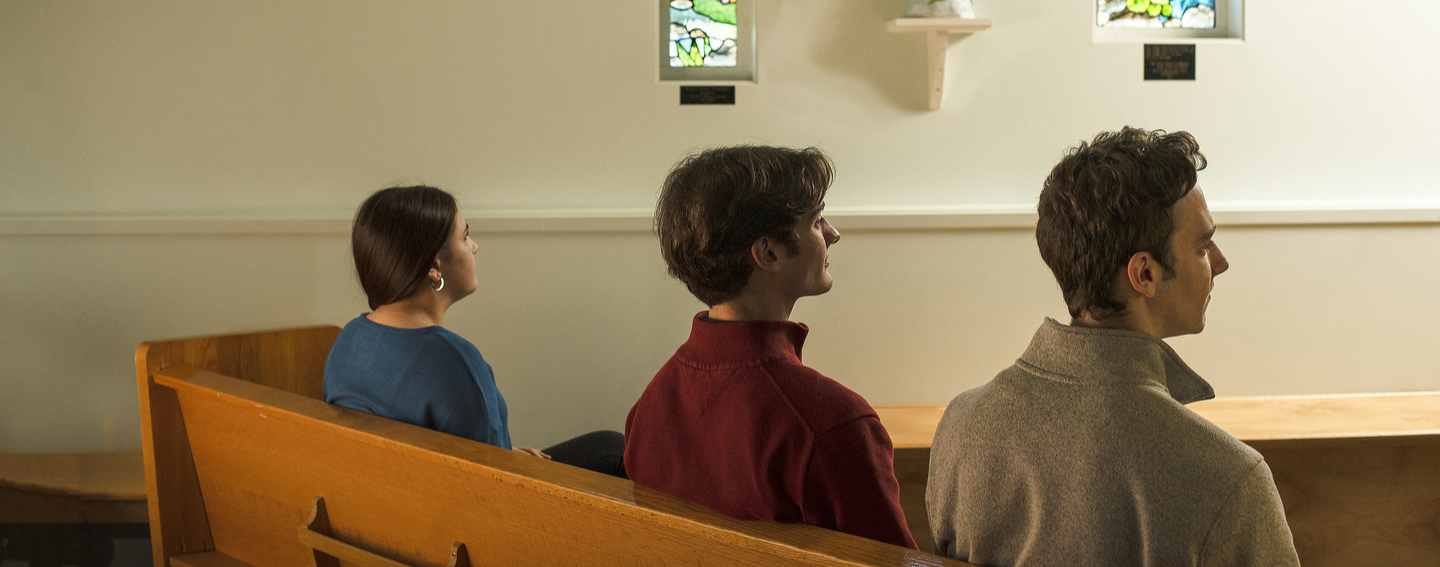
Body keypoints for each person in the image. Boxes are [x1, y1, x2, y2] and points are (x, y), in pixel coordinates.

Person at [926, 128, 1300, 567]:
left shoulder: (963, 426)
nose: (1220, 262)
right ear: (1144, 274)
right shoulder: (1229, 478)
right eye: (1202, 246)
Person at [624, 146, 917, 549]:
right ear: (768, 253)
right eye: (816, 222)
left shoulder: (650, 408)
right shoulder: (833, 425)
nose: (833, 234)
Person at [323, 185, 625, 476]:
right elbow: (491, 482)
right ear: (433, 267)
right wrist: (506, 462)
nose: (474, 247)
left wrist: (506, 453)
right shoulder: (453, 363)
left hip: (391, 508)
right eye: (465, 237)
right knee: (614, 450)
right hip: (470, 517)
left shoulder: (347, 340)